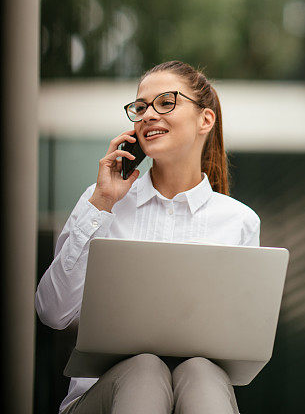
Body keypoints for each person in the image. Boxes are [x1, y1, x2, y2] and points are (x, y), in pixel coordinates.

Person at [35, 60, 260, 414]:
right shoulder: (100, 202)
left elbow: (240, 353)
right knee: (144, 368)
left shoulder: (239, 221)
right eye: (140, 108)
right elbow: (51, 311)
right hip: (102, 398)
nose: (148, 115)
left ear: (206, 119)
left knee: (201, 372)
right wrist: (102, 203)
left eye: (166, 102)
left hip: (199, 392)